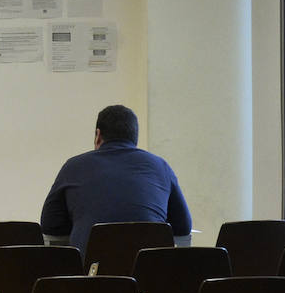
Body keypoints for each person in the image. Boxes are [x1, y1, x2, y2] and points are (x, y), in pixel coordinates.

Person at [40, 104, 192, 252]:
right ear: (135, 139)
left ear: (98, 135)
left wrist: (82, 222)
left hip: (92, 271)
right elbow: (183, 226)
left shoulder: (73, 166)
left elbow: (50, 224)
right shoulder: (160, 166)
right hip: (149, 272)